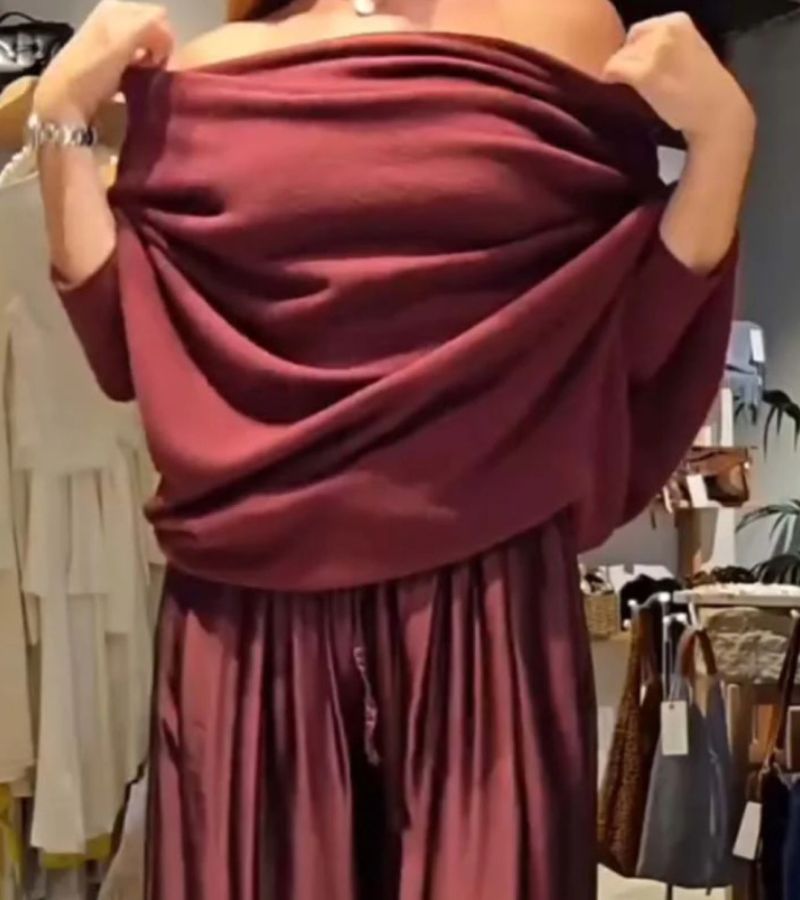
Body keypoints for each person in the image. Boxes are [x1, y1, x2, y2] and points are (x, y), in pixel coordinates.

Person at [32, 0, 754, 897]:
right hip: (252, 613)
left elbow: (631, 335)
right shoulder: (214, 63)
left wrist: (725, 140)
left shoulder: (558, 20)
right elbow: (124, 341)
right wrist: (59, 111)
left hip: (478, 606)